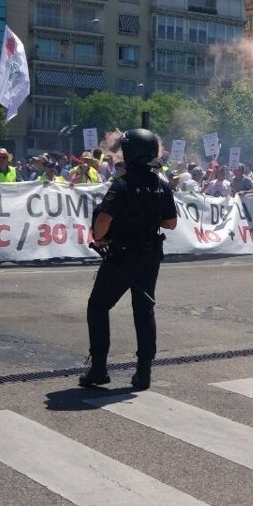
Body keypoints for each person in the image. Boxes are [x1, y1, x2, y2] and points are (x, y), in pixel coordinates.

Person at [78, 128, 177, 391]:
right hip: (150, 255)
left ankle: (99, 368)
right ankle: (143, 373)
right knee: (144, 311)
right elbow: (171, 223)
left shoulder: (122, 184)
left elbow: (102, 221)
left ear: (131, 152)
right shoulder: (161, 185)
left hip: (122, 254)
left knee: (98, 306)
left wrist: (99, 238)